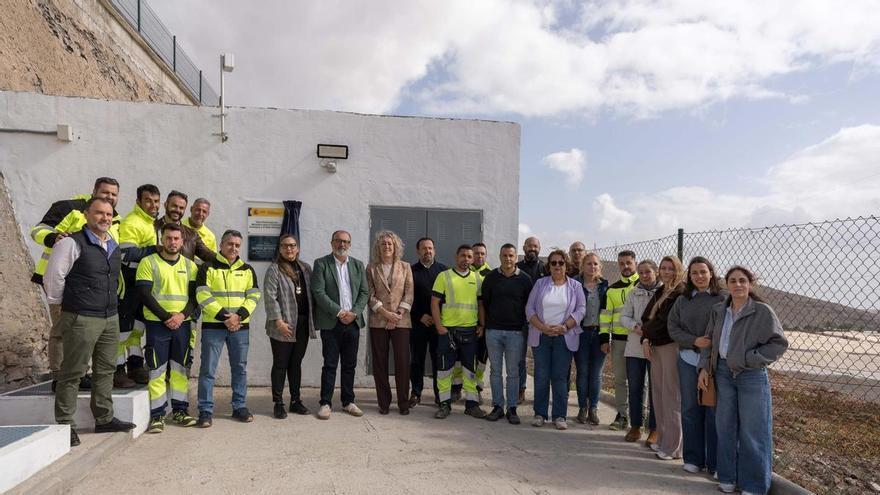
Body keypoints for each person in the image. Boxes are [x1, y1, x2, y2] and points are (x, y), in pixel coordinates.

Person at [44, 197, 136, 446]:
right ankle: (65, 424)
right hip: (81, 317)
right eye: (99, 213)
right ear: (86, 215)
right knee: (73, 371)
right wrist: (70, 304)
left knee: (105, 370)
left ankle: (104, 418)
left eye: (108, 214)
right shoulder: (71, 244)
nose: (105, 218)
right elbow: (53, 279)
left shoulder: (112, 246)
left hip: (109, 317)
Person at [699, 266, 788, 495]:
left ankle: (754, 486)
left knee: (753, 431)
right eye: (733, 281)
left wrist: (751, 359)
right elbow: (710, 342)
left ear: (750, 284)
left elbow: (778, 343)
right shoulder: (719, 310)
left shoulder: (762, 311)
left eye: (742, 280)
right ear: (726, 284)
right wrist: (704, 368)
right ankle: (728, 478)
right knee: (725, 427)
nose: (738, 285)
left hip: (751, 376)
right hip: (722, 373)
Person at [30, 177, 121, 391]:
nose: (109, 197)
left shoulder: (115, 219)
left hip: (93, 285)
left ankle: (81, 374)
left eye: (114, 194)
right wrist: (53, 237)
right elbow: (38, 229)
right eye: (105, 192)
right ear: (94, 191)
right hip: (61, 279)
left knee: (87, 332)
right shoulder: (68, 208)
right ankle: (60, 375)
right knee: (63, 327)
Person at [136, 224, 199, 433]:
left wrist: (181, 316)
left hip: (182, 324)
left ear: (182, 242)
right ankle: (157, 415)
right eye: (169, 238)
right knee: (157, 369)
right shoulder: (148, 262)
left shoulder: (191, 266)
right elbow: (144, 294)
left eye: (176, 239)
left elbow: (194, 298)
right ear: (162, 240)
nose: (172, 242)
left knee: (181, 370)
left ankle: (180, 410)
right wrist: (166, 317)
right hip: (157, 324)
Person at [196, 230, 261, 426]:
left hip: (240, 327)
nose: (233, 248)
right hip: (213, 326)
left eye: (237, 245)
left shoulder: (247, 270)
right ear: (221, 246)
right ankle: (205, 411)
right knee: (208, 369)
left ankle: (239, 406)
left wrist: (238, 316)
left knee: (239, 368)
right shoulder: (207, 268)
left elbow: (254, 297)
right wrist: (226, 317)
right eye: (229, 244)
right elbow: (202, 295)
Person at [668, 256, 726, 475]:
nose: (699, 276)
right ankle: (693, 458)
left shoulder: (723, 298)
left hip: (713, 363)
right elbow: (672, 327)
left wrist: (709, 344)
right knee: (690, 409)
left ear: (711, 273)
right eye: (694, 273)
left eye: (703, 272)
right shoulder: (683, 301)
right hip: (687, 359)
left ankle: (715, 463)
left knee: (712, 410)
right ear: (689, 276)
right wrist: (694, 340)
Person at [311, 230, 370, 420]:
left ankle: (348, 401)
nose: (342, 245)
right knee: (329, 365)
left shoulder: (358, 265)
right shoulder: (321, 264)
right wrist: (339, 312)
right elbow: (319, 292)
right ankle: (325, 403)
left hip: (352, 322)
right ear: (332, 243)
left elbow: (364, 293)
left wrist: (353, 313)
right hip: (331, 322)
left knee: (349, 365)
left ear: (350, 244)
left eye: (345, 242)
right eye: (338, 241)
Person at [526, 249, 586, 430]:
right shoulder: (540, 284)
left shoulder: (575, 286)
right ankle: (540, 414)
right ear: (549, 266)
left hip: (564, 336)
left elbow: (581, 309)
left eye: (561, 263)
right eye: (554, 263)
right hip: (542, 335)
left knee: (560, 377)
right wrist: (542, 327)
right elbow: (529, 309)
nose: (557, 266)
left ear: (567, 266)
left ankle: (560, 415)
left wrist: (565, 326)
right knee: (541, 376)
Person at [431, 244, 487, 419]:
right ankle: (444, 404)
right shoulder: (444, 276)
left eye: (470, 257)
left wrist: (482, 325)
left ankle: (471, 405)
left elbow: (480, 305)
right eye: (463, 256)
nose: (466, 259)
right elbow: (434, 303)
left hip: (470, 332)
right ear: (456, 257)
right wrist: (439, 326)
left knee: (469, 371)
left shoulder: (477, 279)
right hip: (448, 332)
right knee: (444, 371)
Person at [263, 234, 316, 419]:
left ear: (298, 248)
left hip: (302, 324)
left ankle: (295, 401)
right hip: (283, 325)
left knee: (296, 364)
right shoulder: (274, 270)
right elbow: (270, 298)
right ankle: (278, 402)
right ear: (280, 249)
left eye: (292, 245)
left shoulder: (305, 268)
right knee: (280, 364)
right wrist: (278, 322)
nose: (289, 249)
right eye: (285, 246)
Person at [480, 243, 533, 424]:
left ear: (515, 256)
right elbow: (484, 304)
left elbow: (529, 306)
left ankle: (512, 408)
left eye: (511, 255)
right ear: (500, 256)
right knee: (495, 371)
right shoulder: (491, 278)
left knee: (513, 372)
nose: (508, 259)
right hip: (493, 331)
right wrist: (485, 324)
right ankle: (497, 407)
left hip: (516, 333)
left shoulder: (525, 280)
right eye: (504, 255)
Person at [117, 184, 162, 388]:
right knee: (123, 329)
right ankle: (116, 370)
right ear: (138, 202)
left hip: (143, 283)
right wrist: (154, 249)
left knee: (137, 328)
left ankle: (135, 365)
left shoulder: (152, 223)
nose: (153, 205)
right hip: (128, 282)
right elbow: (125, 254)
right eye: (148, 201)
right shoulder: (132, 222)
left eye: (156, 201)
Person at [641, 255, 686, 459]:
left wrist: (646, 334)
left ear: (678, 270)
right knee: (657, 395)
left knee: (671, 396)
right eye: (663, 268)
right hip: (655, 345)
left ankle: (674, 447)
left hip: (669, 346)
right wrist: (645, 339)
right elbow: (646, 317)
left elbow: (665, 323)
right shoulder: (661, 290)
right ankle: (662, 439)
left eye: (671, 268)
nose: (666, 272)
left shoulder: (680, 293)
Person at [366, 231, 414, 415]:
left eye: (390, 244)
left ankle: (403, 403)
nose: (387, 246)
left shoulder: (405, 267)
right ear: (378, 247)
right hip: (379, 321)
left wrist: (397, 315)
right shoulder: (371, 268)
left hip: (401, 321)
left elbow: (409, 293)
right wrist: (386, 314)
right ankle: (383, 403)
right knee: (380, 363)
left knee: (402, 362)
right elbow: (370, 295)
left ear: (395, 247)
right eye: (383, 244)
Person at [619, 260, 660, 443]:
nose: (644, 275)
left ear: (656, 272)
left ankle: (654, 428)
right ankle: (635, 426)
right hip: (635, 347)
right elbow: (624, 316)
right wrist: (635, 326)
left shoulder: (663, 293)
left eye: (648, 272)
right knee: (635, 387)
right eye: (641, 272)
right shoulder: (633, 293)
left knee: (655, 389)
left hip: (656, 347)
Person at [600, 250, 640, 431]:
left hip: (639, 340)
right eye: (622, 263)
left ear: (635, 263)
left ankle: (640, 415)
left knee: (641, 381)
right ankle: (622, 415)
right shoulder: (612, 289)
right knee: (620, 380)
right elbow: (606, 316)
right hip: (618, 341)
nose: (625, 266)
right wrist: (604, 338)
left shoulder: (643, 285)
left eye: (628, 263)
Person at [408, 237, 447, 407]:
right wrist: (419, 316)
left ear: (434, 250)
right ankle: (416, 393)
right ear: (418, 251)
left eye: (430, 248)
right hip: (418, 324)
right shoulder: (410, 271)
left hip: (439, 324)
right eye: (424, 248)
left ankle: (440, 395)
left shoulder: (444, 271)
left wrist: (439, 318)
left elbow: (447, 298)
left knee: (438, 360)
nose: (427, 251)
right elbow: (406, 297)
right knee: (417, 360)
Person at [573, 252, 609, 425]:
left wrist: (605, 337)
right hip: (580, 333)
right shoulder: (574, 283)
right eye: (588, 264)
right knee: (583, 372)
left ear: (600, 267)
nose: (592, 267)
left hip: (599, 334)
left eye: (595, 264)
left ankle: (593, 408)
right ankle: (582, 408)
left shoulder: (605, 286)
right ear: (583, 266)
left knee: (596, 374)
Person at [515, 236, 547, 404]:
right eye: (529, 246)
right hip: (520, 321)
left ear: (539, 249)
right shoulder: (516, 268)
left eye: (535, 246)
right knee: (519, 359)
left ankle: (540, 394)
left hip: (539, 322)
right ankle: (521, 389)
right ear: (524, 248)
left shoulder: (545, 269)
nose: (532, 249)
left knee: (539, 359)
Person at [153, 191, 216, 262]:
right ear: (165, 205)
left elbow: (208, 255)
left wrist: (227, 258)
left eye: (181, 208)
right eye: (174, 206)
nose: (177, 210)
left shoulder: (192, 235)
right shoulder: (152, 227)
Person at [470, 242, 492, 400]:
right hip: (465, 323)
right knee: (460, 359)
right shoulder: (462, 271)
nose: (479, 256)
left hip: (484, 325)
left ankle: (477, 388)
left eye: (482, 253)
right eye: (476, 253)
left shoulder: (491, 275)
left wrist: (484, 324)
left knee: (481, 359)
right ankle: (457, 387)